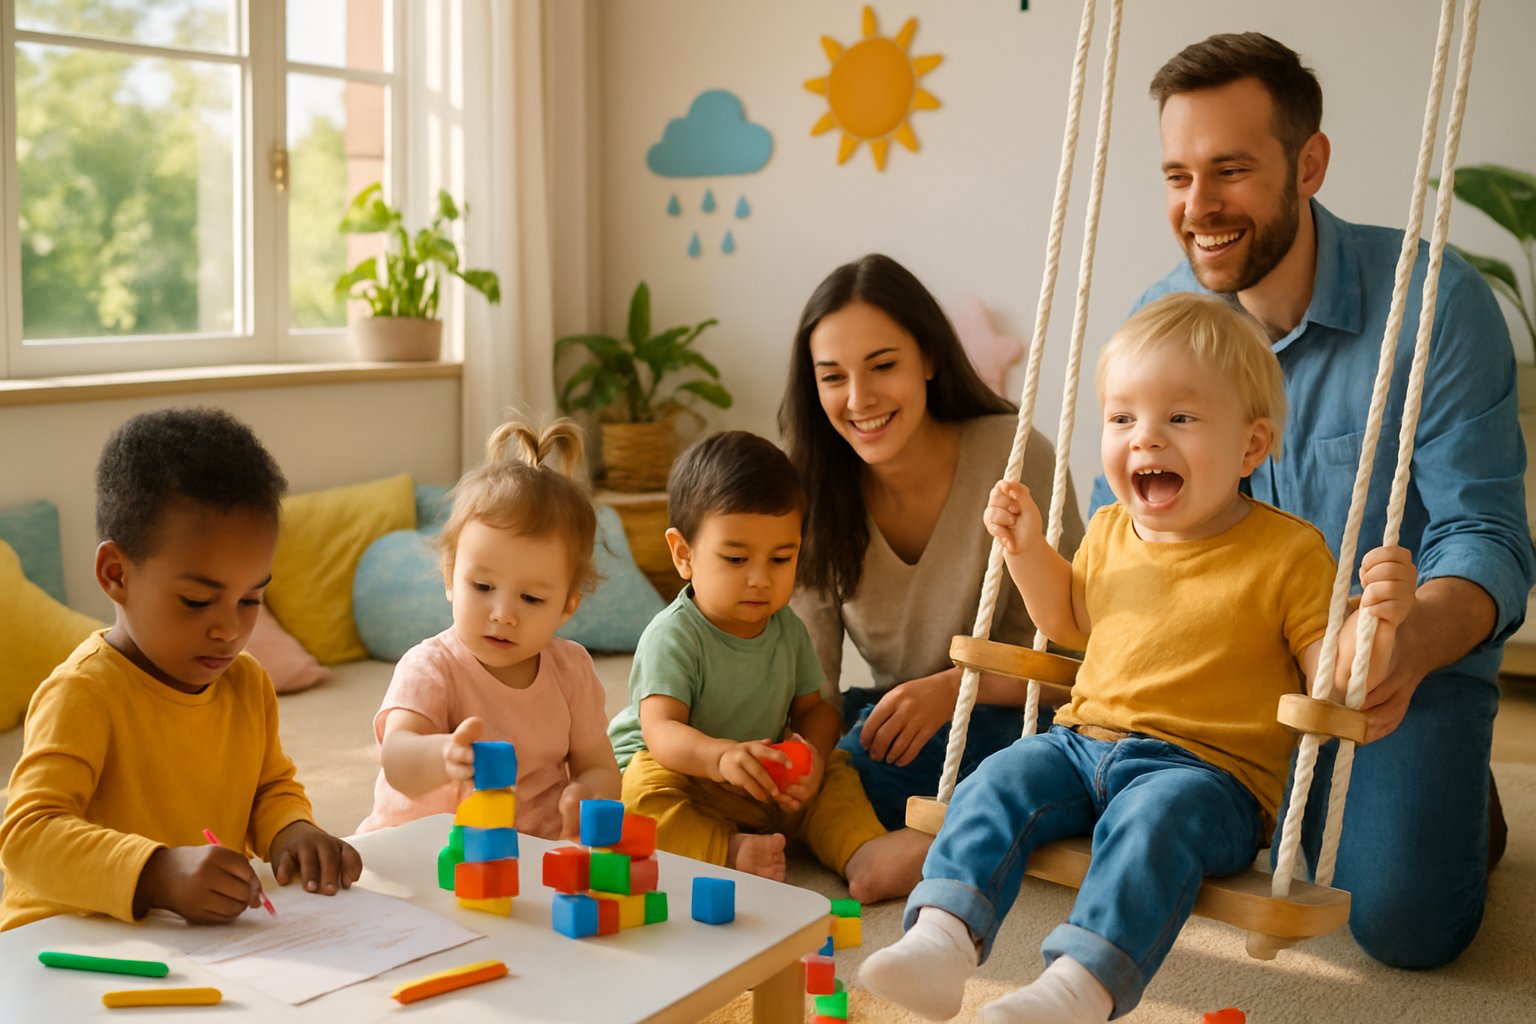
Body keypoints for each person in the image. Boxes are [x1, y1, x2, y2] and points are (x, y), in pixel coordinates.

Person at [861, 293, 1418, 1023]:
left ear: (1251, 447)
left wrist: (1373, 624)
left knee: (1152, 825)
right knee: (997, 778)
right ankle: (942, 941)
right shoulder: (1110, 528)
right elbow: (1066, 620)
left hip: (1206, 776)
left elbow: (1331, 676)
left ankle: (1077, 989)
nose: (1145, 439)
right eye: (1123, 419)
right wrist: (1027, 550)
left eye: (1180, 419)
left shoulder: (1288, 554)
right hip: (1080, 744)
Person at [1122, 31, 1535, 968]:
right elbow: (1140, 532)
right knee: (1133, 836)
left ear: (1309, 164)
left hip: (1406, 662)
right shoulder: (1163, 322)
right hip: (1237, 663)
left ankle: (1454, 793)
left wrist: (1406, 644)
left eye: (1230, 170)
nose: (1199, 207)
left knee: (1398, 928)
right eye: (1178, 175)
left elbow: (1489, 535)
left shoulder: (1434, 304)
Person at [0, 407, 361, 931]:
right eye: (197, 601)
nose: (229, 630)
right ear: (116, 574)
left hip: (191, 945)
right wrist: (156, 872)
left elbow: (268, 788)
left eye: (251, 599)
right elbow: (27, 836)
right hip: (64, 945)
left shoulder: (247, 683)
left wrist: (292, 831)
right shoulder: (83, 693)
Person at [781, 253, 1085, 831]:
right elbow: (811, 689)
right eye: (833, 377)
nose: (859, 398)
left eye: (882, 365)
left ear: (928, 357)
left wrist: (952, 688)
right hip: (899, 719)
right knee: (794, 769)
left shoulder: (1017, 457)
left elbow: (1076, 664)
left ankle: (945, 834)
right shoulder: (812, 491)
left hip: (1019, 716)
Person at [607, 431, 925, 901]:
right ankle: (727, 851)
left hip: (761, 776)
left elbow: (814, 711)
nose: (760, 579)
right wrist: (720, 758)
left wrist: (811, 763)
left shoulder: (787, 629)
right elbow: (663, 732)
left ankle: (864, 853)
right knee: (639, 795)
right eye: (736, 558)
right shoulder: (673, 635)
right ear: (683, 554)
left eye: (782, 558)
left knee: (838, 771)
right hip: (687, 775)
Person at [358, 419, 621, 841]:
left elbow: (598, 764)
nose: (503, 614)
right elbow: (397, 759)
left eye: (531, 599)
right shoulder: (431, 667)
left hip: (526, 855)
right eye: (482, 587)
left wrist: (588, 792)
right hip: (424, 851)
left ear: (567, 607)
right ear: (449, 576)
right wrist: (443, 755)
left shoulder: (571, 670)